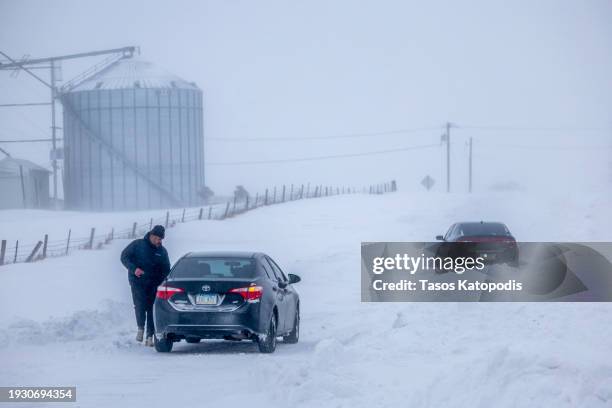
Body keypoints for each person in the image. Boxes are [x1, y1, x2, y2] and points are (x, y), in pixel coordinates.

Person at [120, 225, 171, 346]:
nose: (159, 241)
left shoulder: (162, 251)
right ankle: (140, 328)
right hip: (138, 281)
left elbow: (166, 269)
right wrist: (134, 269)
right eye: (158, 238)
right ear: (152, 236)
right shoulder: (137, 245)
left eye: (161, 239)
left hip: (155, 283)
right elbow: (124, 257)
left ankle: (149, 336)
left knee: (152, 309)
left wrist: (164, 282)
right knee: (140, 304)